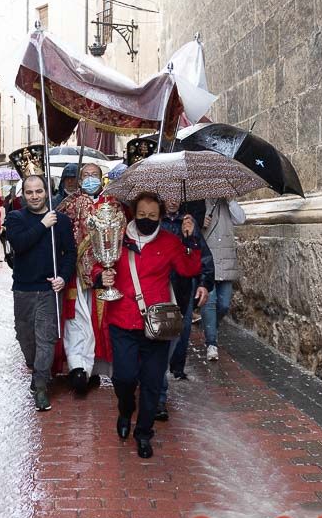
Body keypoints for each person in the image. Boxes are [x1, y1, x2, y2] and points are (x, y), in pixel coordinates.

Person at [95, 192, 202, 458]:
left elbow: (188, 269)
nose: (146, 220)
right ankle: (124, 410)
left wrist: (191, 239)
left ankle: (144, 433)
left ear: (161, 217)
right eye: (141, 215)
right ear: (133, 213)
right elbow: (97, 265)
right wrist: (102, 276)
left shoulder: (170, 242)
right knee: (124, 377)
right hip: (122, 320)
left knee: (153, 381)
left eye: (153, 216)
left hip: (156, 324)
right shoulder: (118, 237)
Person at [5, 174, 75, 411]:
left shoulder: (62, 221)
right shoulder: (15, 218)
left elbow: (70, 254)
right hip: (23, 290)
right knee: (26, 338)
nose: (35, 196)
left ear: (47, 192)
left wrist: (63, 278)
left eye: (39, 191)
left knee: (46, 339)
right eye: (29, 192)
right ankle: (37, 371)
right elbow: (20, 244)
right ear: (23, 194)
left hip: (48, 289)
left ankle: (41, 385)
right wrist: (43, 224)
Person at [55, 162, 125, 394]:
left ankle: (98, 368)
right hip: (77, 271)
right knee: (77, 320)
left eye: (95, 175)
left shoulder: (113, 203)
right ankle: (78, 367)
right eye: (86, 175)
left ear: (102, 178)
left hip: (107, 272)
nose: (90, 178)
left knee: (103, 323)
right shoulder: (71, 203)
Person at [156, 198, 213, 421]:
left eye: (175, 196)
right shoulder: (154, 224)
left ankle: (176, 368)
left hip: (182, 289)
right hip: (159, 290)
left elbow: (202, 258)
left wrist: (204, 283)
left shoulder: (188, 223)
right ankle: (159, 394)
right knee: (161, 340)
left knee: (182, 331)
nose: (171, 201)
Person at [200, 197, 246, 361]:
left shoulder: (228, 203)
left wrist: (231, 200)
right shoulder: (200, 203)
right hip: (207, 260)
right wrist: (200, 223)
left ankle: (210, 326)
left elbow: (241, 219)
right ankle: (211, 343)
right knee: (209, 303)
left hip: (226, 261)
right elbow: (190, 229)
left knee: (224, 304)